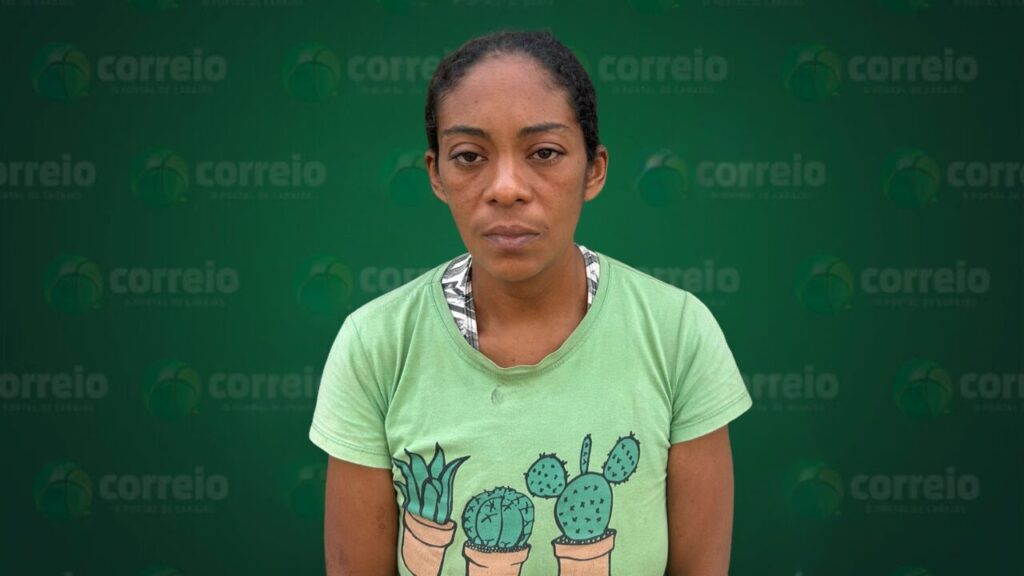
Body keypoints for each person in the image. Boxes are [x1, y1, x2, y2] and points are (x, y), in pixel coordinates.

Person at [308, 29, 753, 576]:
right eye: (469, 156)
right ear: (437, 175)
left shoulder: (677, 334)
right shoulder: (375, 345)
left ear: (594, 169)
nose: (506, 187)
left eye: (544, 153)